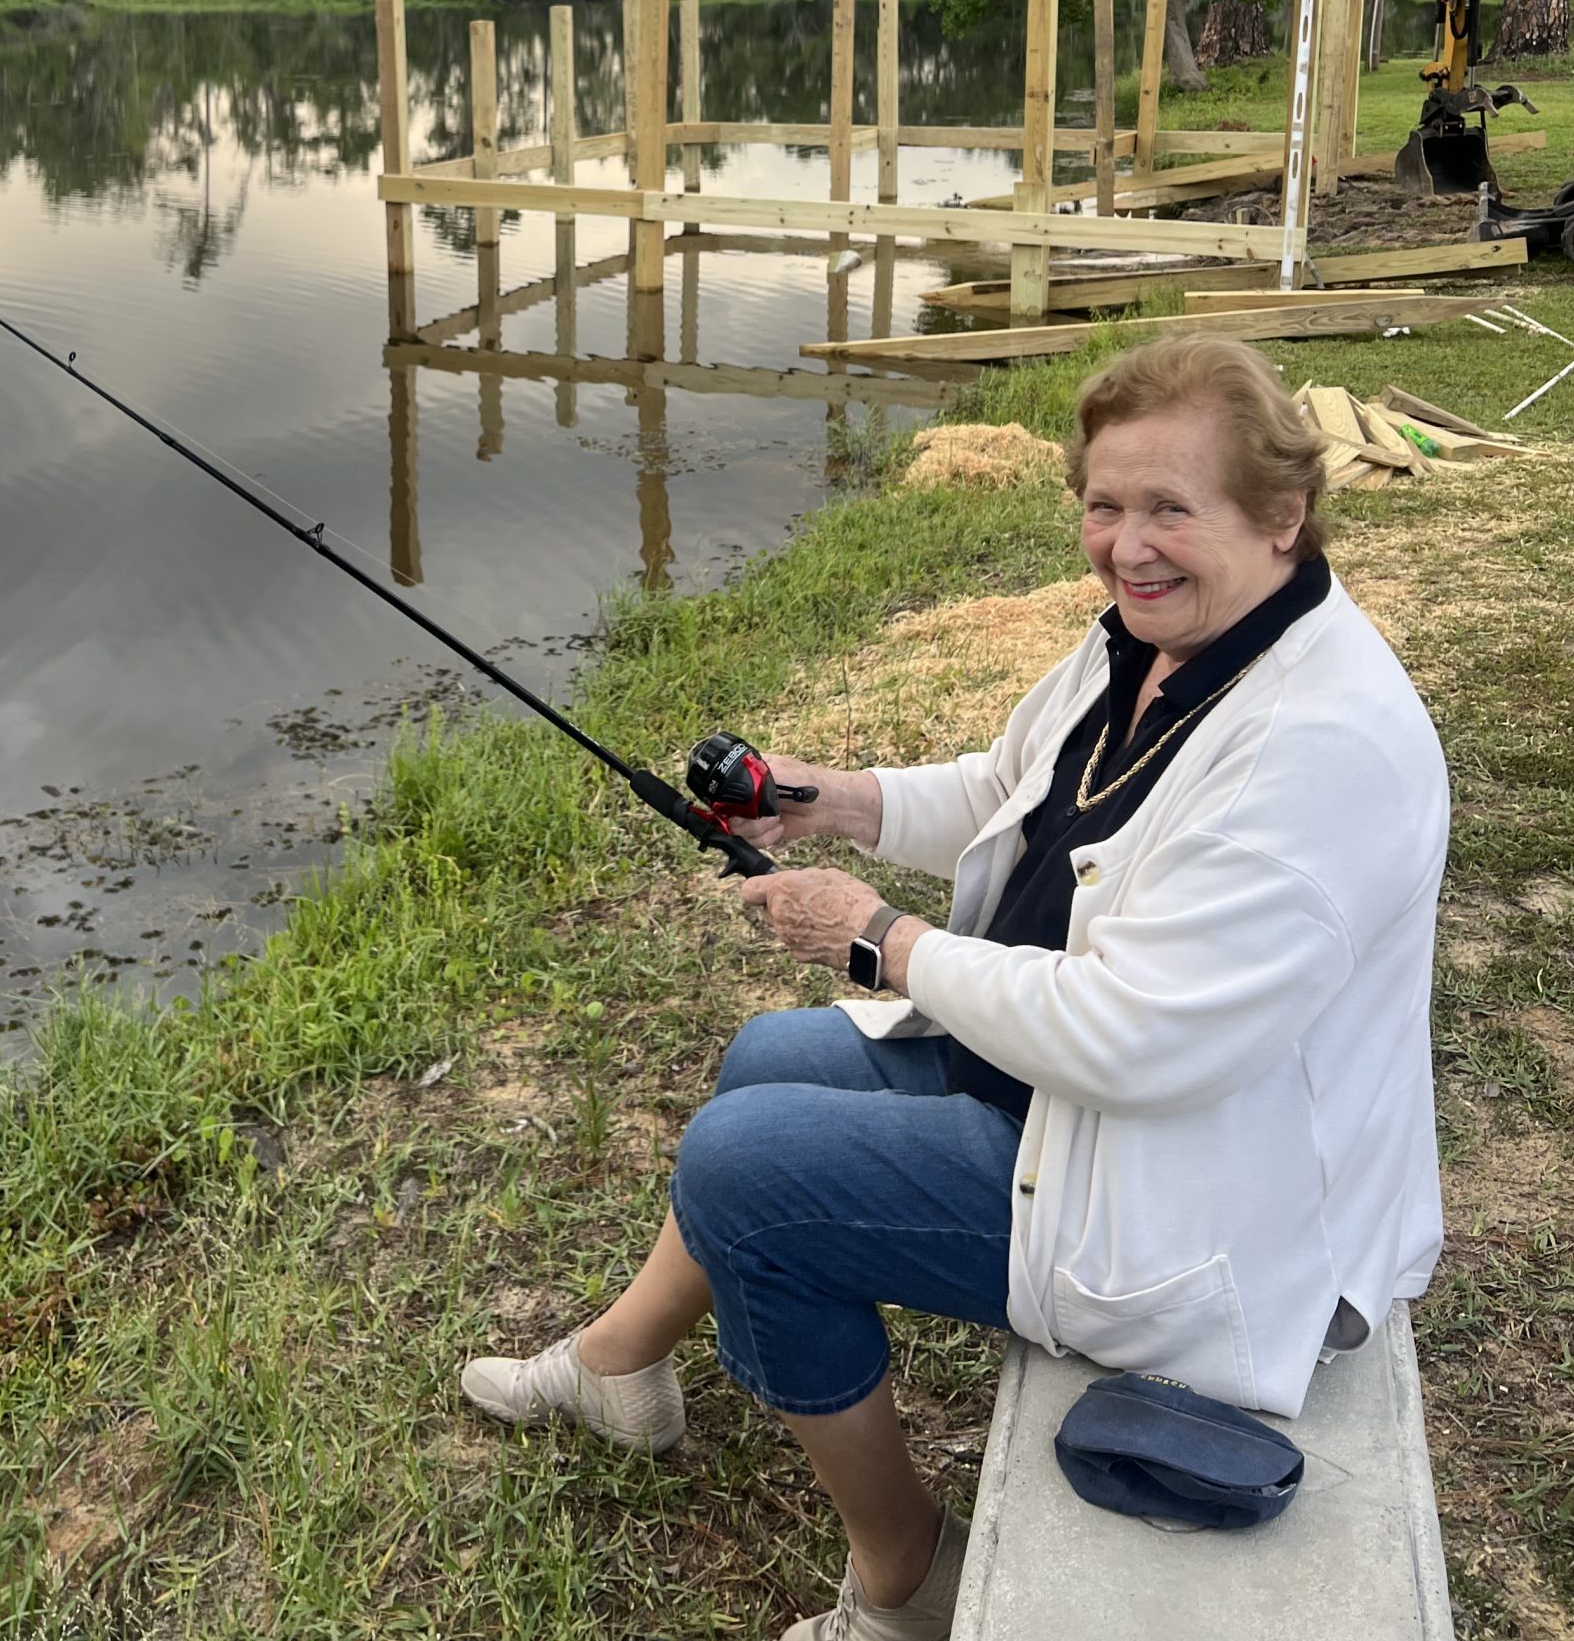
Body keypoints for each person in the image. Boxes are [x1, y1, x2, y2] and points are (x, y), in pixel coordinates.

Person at [461, 336, 1449, 1641]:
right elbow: (1006, 789)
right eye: (1105, 503)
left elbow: (1137, 1040)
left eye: (1169, 508)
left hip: (1205, 1216)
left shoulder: (1317, 749)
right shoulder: (1163, 641)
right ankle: (620, 1365)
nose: (1126, 543)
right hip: (1083, 1105)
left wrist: (880, 939)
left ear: (1282, 514)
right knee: (765, 1061)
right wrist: (826, 801)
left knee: (749, 1170)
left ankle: (902, 1577)